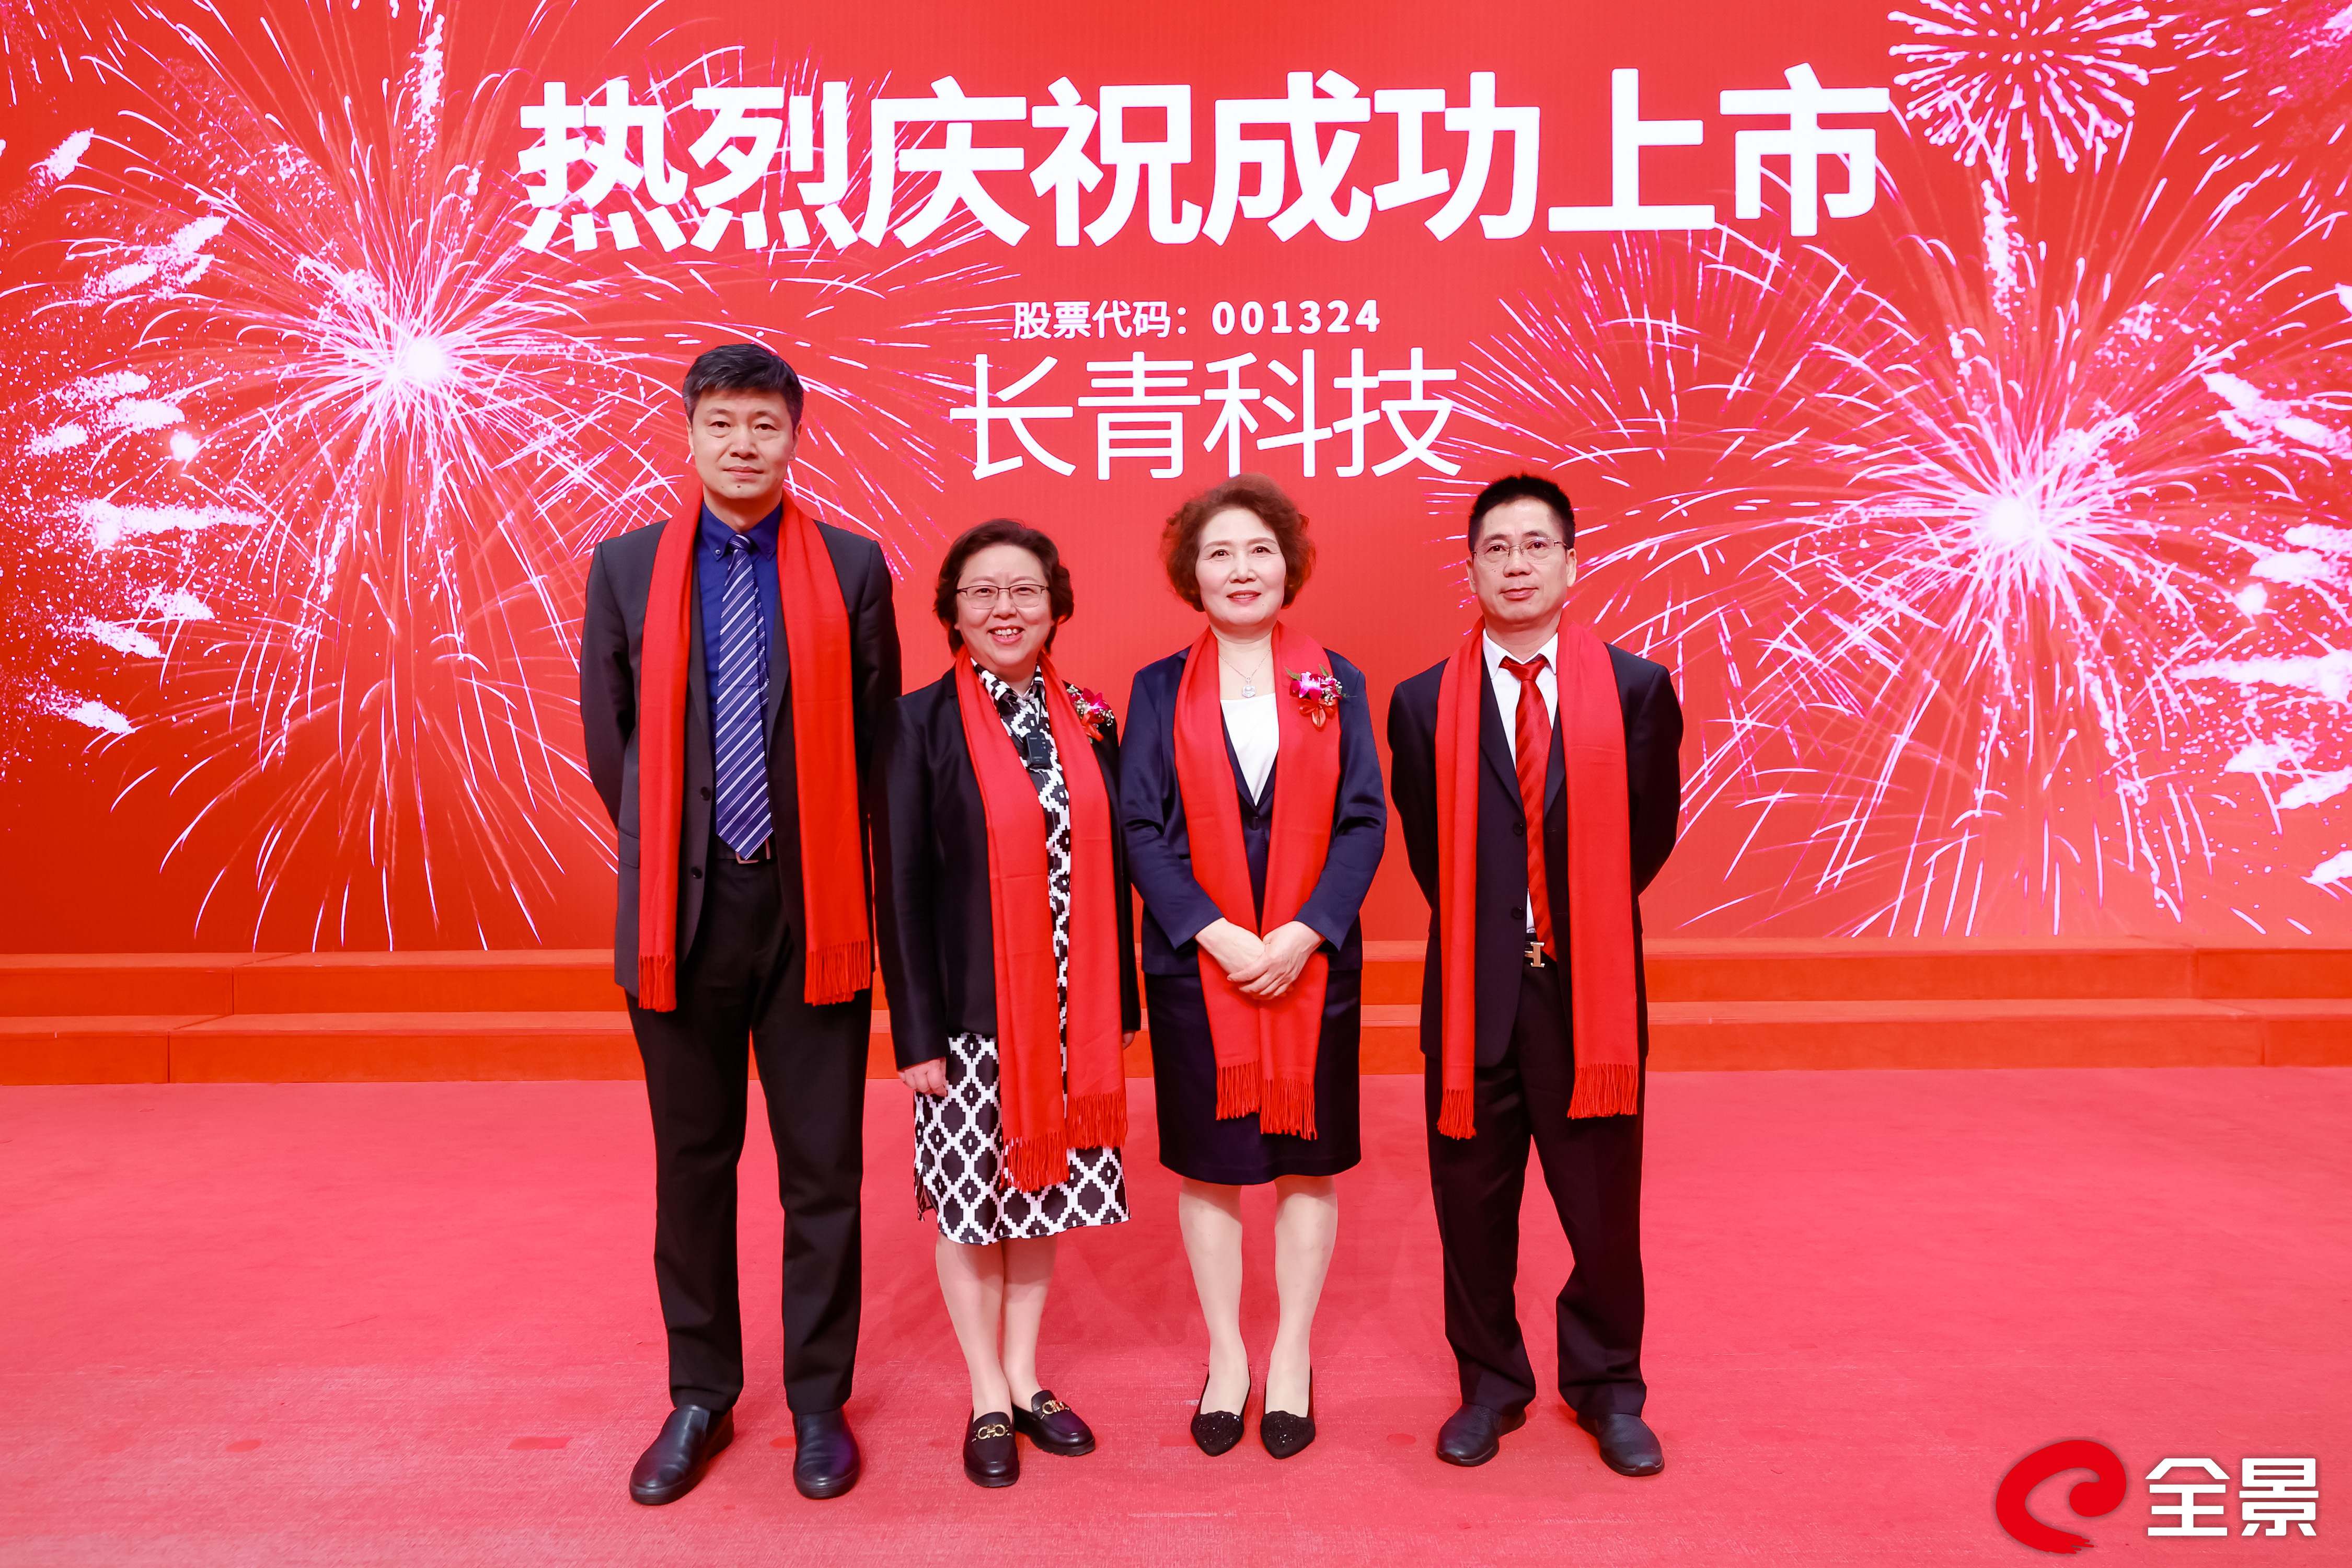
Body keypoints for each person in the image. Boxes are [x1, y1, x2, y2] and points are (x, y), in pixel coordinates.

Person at [578, 342, 899, 1505]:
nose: (743, 445)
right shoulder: (625, 566)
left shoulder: (854, 567)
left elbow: (875, 743)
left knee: (823, 1174)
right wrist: (679, 852)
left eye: (765, 424)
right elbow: (609, 736)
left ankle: (818, 1402)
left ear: (794, 437)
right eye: (722, 424)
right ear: (689, 435)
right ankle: (701, 1394)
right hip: (683, 914)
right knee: (692, 1167)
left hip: (816, 913)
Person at [1385, 474, 1682, 1476]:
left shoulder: (1638, 690)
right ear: (1472, 567)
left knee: (1602, 1208)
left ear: (1570, 562)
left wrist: (1572, 920)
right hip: (1473, 992)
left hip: (1588, 995)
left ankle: (1609, 1388)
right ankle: (1490, 1387)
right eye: (1496, 549)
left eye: (1535, 546)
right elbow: (1430, 852)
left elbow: (1647, 839)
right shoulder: (1423, 703)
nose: (1516, 566)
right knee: (1471, 1206)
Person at [1121, 475, 1386, 1460]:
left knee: (1307, 1164)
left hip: (1312, 965)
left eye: (1261, 550)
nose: (1243, 570)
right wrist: (1216, 932)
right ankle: (1228, 1356)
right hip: (1200, 969)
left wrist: (1308, 931)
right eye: (1221, 553)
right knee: (1213, 1166)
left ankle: (1294, 1355)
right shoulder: (1157, 689)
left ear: (1290, 566)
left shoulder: (1337, 680)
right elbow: (1140, 828)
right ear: (1192, 574)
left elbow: (1364, 820)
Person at [880, 519, 1139, 1489]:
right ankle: (986, 1390)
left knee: (1041, 1200)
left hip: (1073, 1016)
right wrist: (916, 1034)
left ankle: (1028, 1377)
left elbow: (1114, 874)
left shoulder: (1090, 720)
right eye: (982, 592)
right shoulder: (916, 724)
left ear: (1055, 605)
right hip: (968, 1021)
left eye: (1024, 590)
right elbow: (900, 887)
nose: (1005, 610)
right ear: (952, 612)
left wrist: (1115, 1013)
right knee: (970, 1207)